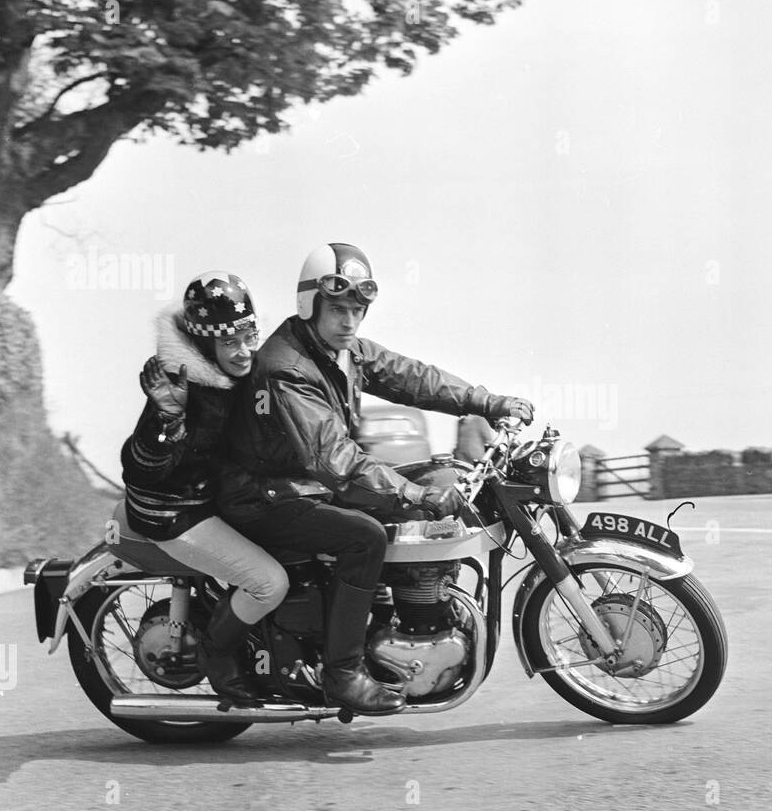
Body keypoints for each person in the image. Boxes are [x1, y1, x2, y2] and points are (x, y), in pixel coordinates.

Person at [218, 242, 533, 716]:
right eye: (339, 308)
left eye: (357, 309)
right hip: (261, 496)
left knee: (437, 474)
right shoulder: (286, 368)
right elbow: (334, 459)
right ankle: (342, 673)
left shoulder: (344, 351)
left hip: (303, 484)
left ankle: (401, 614)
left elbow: (414, 378)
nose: (349, 320)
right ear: (311, 304)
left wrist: (485, 402)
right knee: (363, 537)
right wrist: (416, 496)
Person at [121, 272, 289, 708]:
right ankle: (219, 656)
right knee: (269, 583)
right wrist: (167, 421)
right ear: (204, 346)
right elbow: (140, 470)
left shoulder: (241, 376)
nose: (243, 349)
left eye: (249, 334)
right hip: (174, 513)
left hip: (218, 500)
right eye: (229, 341)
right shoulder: (180, 385)